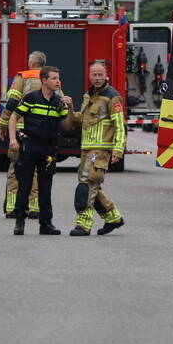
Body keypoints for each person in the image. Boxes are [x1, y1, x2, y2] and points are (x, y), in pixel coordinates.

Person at [9, 65, 73, 236]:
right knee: (25, 186)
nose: (57, 81)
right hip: (30, 147)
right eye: (54, 78)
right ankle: (20, 221)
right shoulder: (31, 98)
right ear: (44, 80)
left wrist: (71, 109)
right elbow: (14, 116)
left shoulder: (59, 102)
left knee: (46, 187)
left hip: (49, 150)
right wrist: (13, 139)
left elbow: (66, 127)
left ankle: (46, 224)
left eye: (58, 78)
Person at [70, 61, 126, 236]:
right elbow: (82, 120)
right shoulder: (89, 95)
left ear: (106, 75)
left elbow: (120, 125)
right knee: (93, 185)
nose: (97, 78)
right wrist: (69, 109)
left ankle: (83, 225)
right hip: (87, 148)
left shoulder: (112, 96)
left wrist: (118, 149)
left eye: (100, 74)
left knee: (86, 184)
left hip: (100, 149)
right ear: (89, 75)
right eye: (94, 74)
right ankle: (113, 218)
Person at [0, 51, 48, 218]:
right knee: (36, 170)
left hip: (20, 129)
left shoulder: (23, 76)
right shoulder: (51, 78)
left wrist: (3, 123)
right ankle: (34, 208)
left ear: (32, 63)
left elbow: (12, 102)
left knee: (15, 168)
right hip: (41, 132)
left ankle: (12, 207)